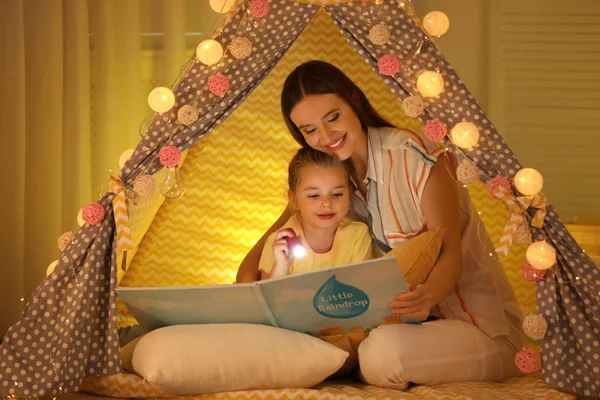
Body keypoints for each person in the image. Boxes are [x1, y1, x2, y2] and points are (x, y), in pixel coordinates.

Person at [237, 60, 524, 389]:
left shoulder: (417, 157)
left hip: (480, 327)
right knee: (323, 347)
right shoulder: (327, 180)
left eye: (333, 117)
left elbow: (450, 255)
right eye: (309, 129)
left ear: (354, 101)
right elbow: (257, 256)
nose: (326, 135)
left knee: (381, 355)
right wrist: (254, 301)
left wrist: (426, 298)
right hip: (402, 328)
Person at [259, 146, 373, 280]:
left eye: (337, 194)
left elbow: (364, 289)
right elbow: (267, 297)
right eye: (314, 196)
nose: (326, 203)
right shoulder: (279, 244)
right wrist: (281, 266)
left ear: (349, 195)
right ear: (294, 199)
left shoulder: (357, 234)